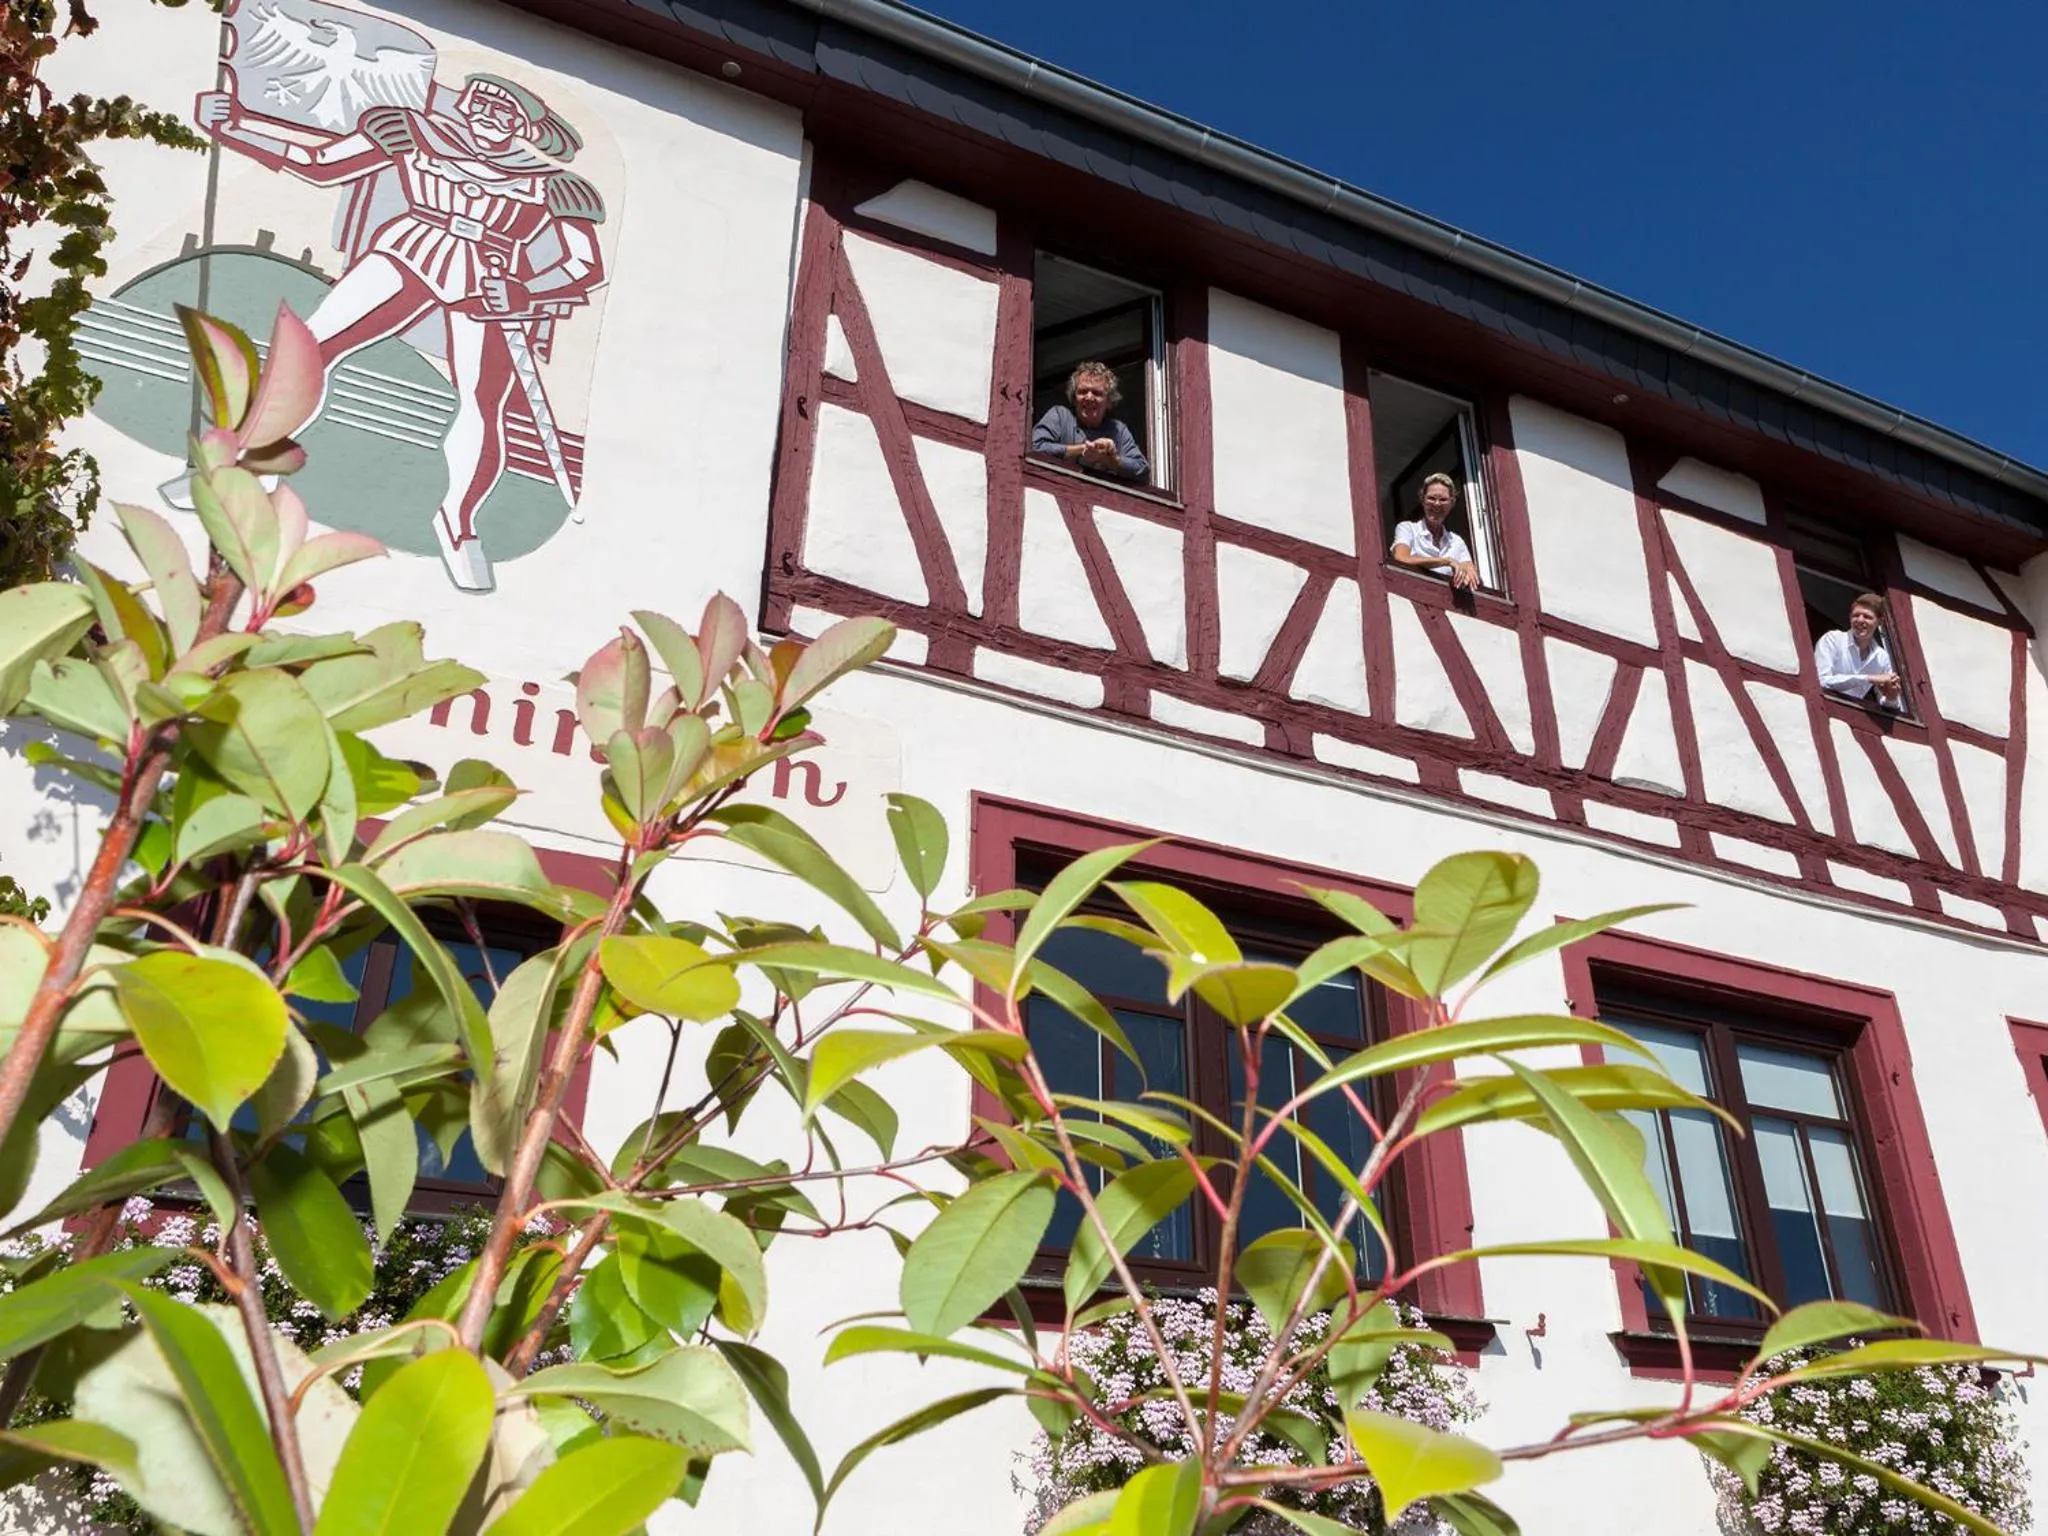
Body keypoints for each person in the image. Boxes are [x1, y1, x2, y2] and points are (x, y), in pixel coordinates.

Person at [193, 72, 606, 592]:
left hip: (488, 277)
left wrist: (528, 293)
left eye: (504, 113)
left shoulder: (548, 183)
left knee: (483, 402)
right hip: (409, 249)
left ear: (526, 128)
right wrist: (237, 127)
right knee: (308, 349)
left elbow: (583, 264)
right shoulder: (414, 133)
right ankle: (249, 472)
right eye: (480, 102)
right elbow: (320, 163)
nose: (485, 116)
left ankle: (458, 524)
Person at [1031, 362, 1149, 482]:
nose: (1089, 397)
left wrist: (1108, 459)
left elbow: (1142, 470)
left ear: (1109, 401)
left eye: (1097, 393)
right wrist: (1082, 449)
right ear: (1073, 398)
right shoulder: (1060, 415)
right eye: (1083, 391)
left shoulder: (1118, 430)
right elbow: (1034, 447)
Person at [1814, 593, 1904, 710]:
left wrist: (1891, 697)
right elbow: (1820, 681)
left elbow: (1889, 705)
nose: (1860, 620)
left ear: (1880, 622)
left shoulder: (1882, 657)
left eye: (1867, 617)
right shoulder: (1833, 639)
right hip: (1823, 709)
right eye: (1856, 615)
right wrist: (1868, 678)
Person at [1390, 472, 1479, 590]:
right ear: (1422, 500)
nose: (1437, 504)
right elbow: (1401, 557)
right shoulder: (1407, 528)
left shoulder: (1457, 542)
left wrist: (1467, 572)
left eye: (1443, 500)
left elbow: (1470, 573)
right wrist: (1446, 561)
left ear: (1452, 504)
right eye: (1431, 498)